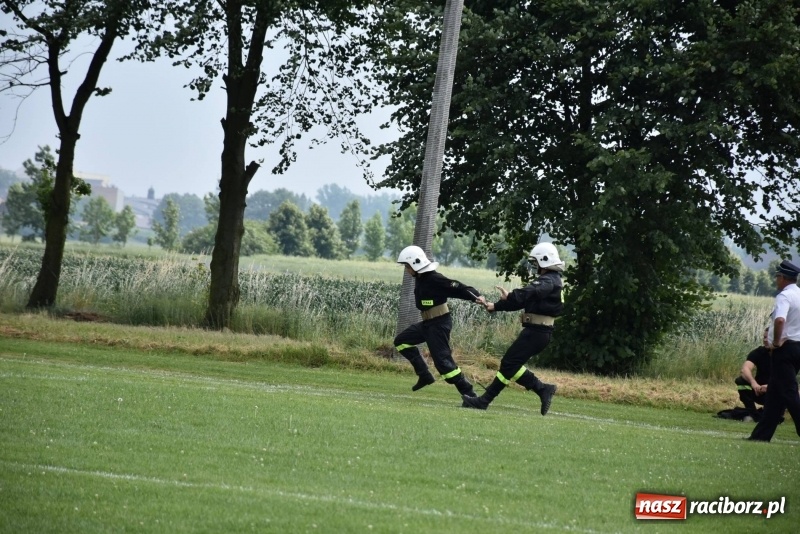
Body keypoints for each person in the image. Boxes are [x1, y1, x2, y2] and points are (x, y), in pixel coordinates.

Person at [462, 242, 561, 415]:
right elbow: (522, 300)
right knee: (509, 365)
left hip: (537, 332)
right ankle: (484, 401)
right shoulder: (549, 281)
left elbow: (527, 293)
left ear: (545, 261)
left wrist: (511, 295)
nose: (535, 266)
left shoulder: (548, 281)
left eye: (536, 262)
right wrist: (496, 306)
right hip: (537, 331)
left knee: (509, 364)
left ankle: (542, 389)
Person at [394, 245, 482, 398]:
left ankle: (469, 393)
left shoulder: (434, 278)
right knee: (401, 341)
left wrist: (476, 296)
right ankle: (424, 375)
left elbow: (457, 287)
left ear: (415, 263)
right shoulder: (420, 277)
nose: (406, 270)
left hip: (439, 324)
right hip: (428, 324)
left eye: (407, 266)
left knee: (443, 363)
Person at [748, 260, 800, 442]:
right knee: (775, 395)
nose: (776, 280)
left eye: (777, 277)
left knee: (790, 393)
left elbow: (779, 320)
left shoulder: (784, 296)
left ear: (783, 278)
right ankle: (760, 436)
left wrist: (776, 343)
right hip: (797, 348)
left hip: (784, 350)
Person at [735, 336, 772, 422]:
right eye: (764, 337)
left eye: (769, 337)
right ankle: (752, 413)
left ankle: (773, 414)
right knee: (740, 381)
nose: (765, 340)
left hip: (776, 391)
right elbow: (745, 369)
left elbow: (788, 379)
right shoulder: (759, 352)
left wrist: (770, 386)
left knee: (786, 388)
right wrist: (753, 383)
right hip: (758, 390)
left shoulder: (785, 354)